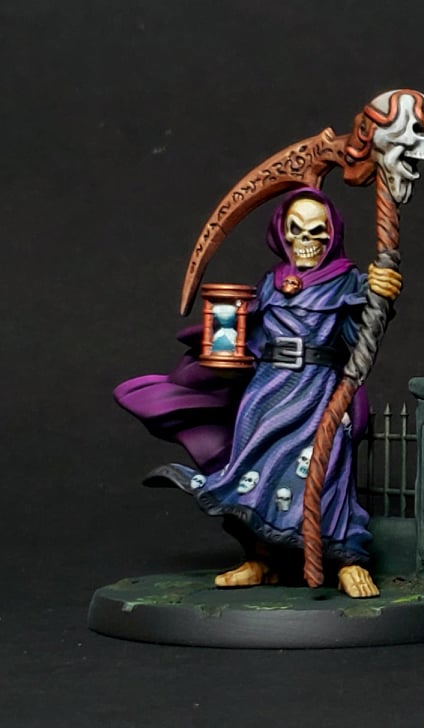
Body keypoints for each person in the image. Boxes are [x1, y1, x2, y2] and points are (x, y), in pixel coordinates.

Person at [114, 187, 401, 598]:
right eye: (296, 230)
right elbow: (249, 335)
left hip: (317, 389)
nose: (306, 241)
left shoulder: (347, 282)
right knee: (254, 471)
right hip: (266, 392)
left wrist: (378, 298)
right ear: (282, 234)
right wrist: (223, 353)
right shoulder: (271, 283)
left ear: (332, 234)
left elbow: (360, 341)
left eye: (316, 231)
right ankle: (262, 559)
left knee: (324, 470)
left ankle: (347, 561)